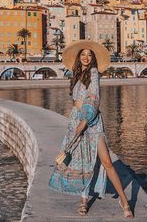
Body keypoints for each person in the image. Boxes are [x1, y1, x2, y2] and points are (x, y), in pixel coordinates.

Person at [49, 40, 133, 219]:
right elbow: (75, 100)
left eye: (89, 55)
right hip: (75, 121)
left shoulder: (94, 73)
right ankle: (84, 201)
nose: (86, 57)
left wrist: (85, 120)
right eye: (83, 54)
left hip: (92, 122)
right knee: (83, 163)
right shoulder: (76, 74)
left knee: (107, 162)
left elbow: (94, 98)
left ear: (93, 58)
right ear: (79, 58)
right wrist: (77, 120)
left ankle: (124, 200)